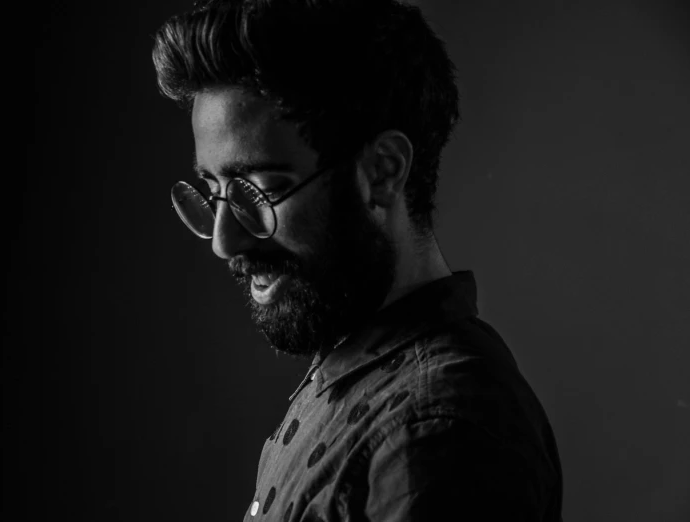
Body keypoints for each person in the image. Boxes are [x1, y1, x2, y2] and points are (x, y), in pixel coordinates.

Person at [152, 0, 563, 520]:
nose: (223, 241)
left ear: (384, 172)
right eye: (213, 192)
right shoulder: (354, 373)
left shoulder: (436, 434)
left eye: (258, 192)